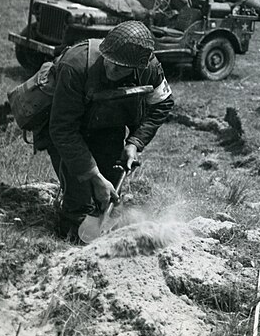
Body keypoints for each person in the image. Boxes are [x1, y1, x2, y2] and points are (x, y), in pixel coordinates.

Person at [37, 21, 174, 242]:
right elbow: (62, 129)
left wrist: (134, 143)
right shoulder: (76, 65)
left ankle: (101, 237)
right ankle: (71, 242)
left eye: (120, 68)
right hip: (66, 129)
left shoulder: (149, 69)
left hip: (108, 126)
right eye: (109, 62)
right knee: (81, 195)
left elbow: (163, 104)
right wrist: (94, 175)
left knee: (108, 196)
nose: (111, 69)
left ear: (136, 68)